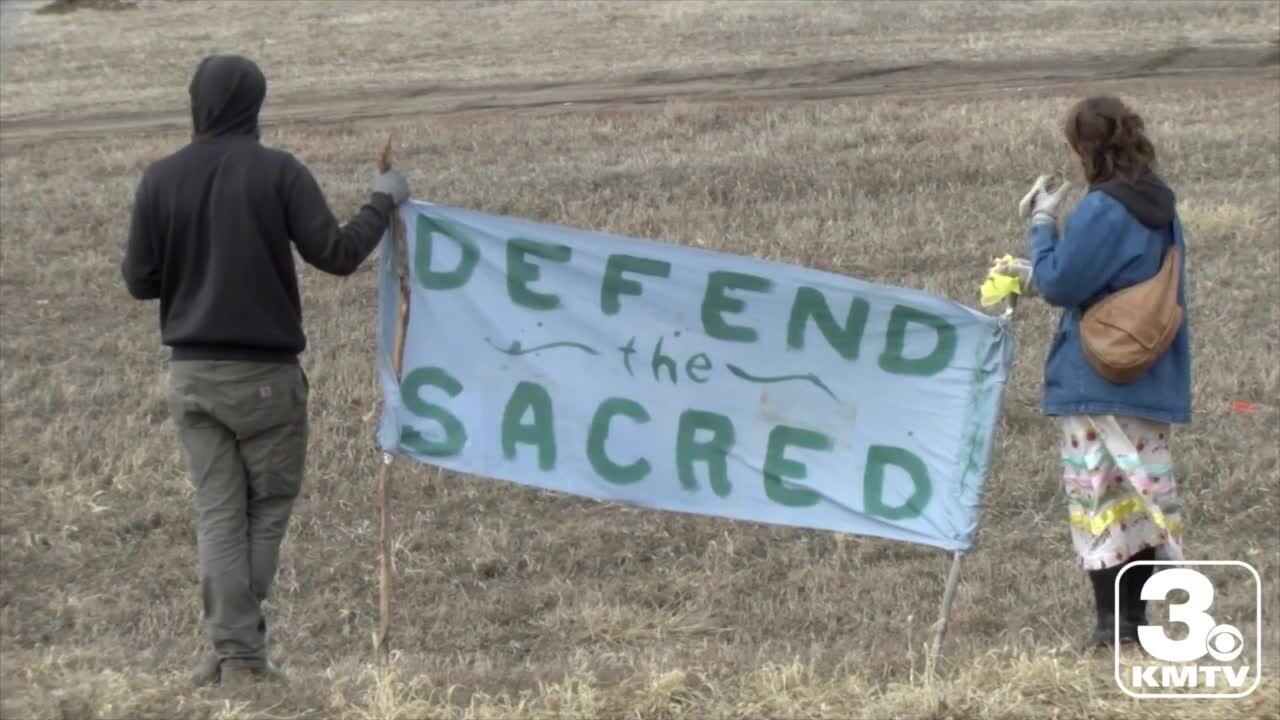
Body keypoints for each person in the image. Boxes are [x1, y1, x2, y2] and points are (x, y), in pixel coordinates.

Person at [121, 53, 411, 687]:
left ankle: (229, 655)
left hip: (192, 377)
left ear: (195, 102)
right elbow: (335, 255)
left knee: (218, 517)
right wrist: (381, 205)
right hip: (265, 379)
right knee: (265, 513)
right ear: (256, 104)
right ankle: (242, 658)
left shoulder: (159, 179)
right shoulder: (278, 172)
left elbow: (140, 283)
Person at [1000, 95, 1190, 652]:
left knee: (1100, 502)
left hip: (1098, 377)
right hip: (1149, 374)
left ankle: (1115, 629)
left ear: (1083, 149)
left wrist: (1041, 224)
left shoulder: (1104, 207)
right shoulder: (1159, 202)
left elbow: (1063, 284)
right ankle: (1139, 622)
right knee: (1142, 501)